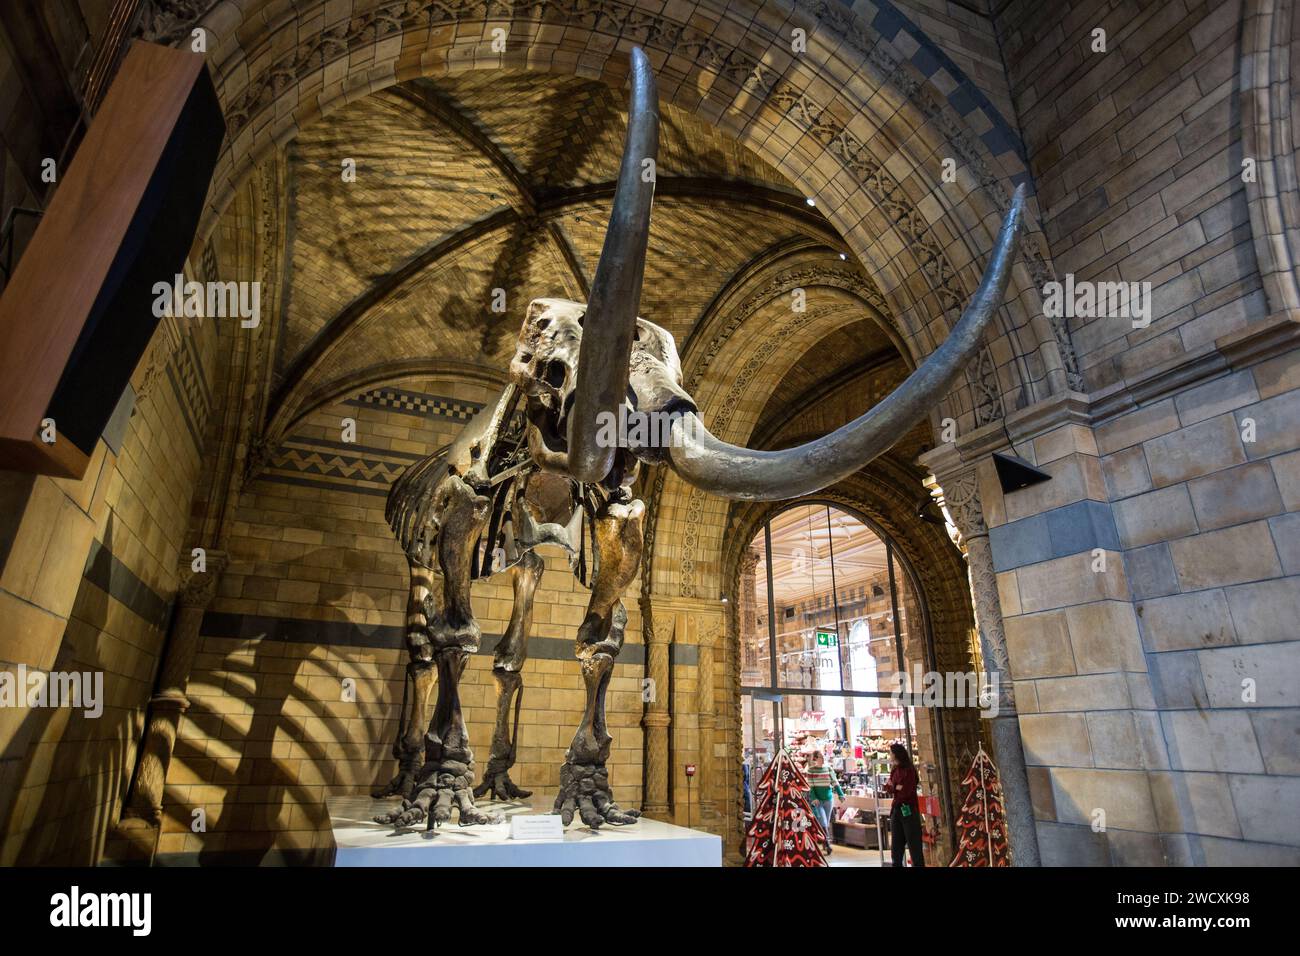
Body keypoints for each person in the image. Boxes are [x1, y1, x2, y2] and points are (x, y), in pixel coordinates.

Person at [887, 743, 925, 867]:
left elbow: (906, 790)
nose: (890, 755)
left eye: (891, 753)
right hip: (897, 809)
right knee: (896, 846)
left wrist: (895, 787)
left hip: (908, 809)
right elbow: (889, 786)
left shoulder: (909, 770)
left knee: (914, 844)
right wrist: (895, 787)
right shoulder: (894, 770)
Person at [804, 750, 844, 854]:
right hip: (817, 801)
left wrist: (840, 794)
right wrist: (814, 798)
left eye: (823, 757)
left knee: (826, 821)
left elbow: (835, 782)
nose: (822, 759)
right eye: (820, 757)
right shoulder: (811, 771)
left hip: (828, 799)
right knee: (823, 821)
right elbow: (811, 787)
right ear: (815, 759)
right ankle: (827, 843)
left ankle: (824, 842)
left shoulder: (828, 769)